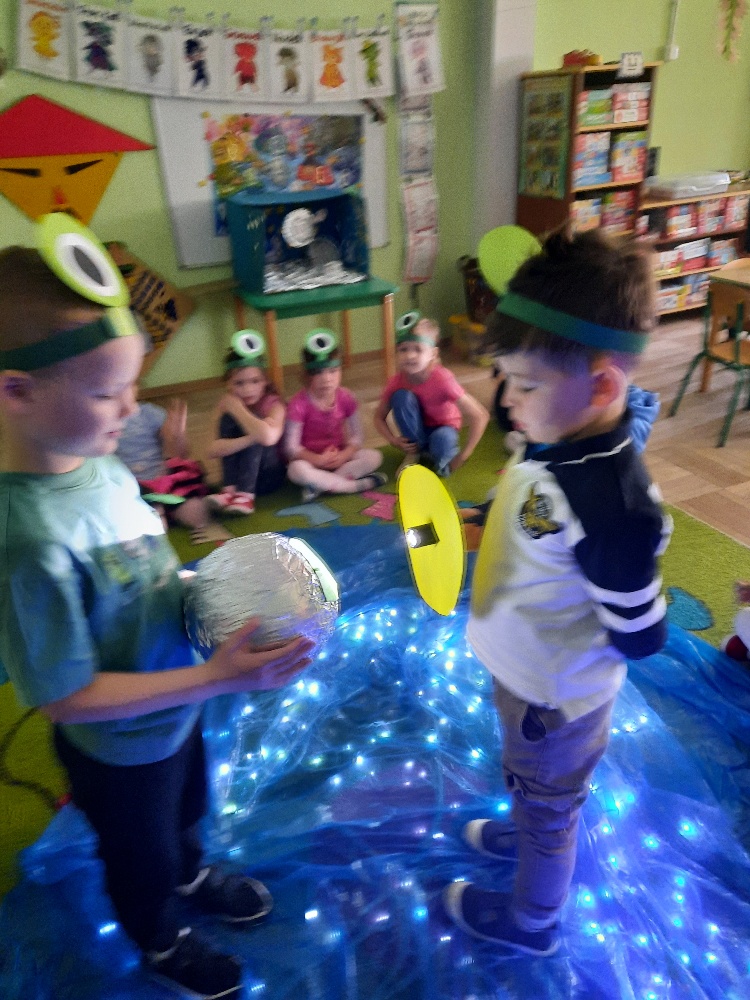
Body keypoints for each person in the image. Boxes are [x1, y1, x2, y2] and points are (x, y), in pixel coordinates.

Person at [0, 219, 314, 1000]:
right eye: (108, 393)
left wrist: (212, 589)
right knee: (138, 854)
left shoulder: (101, 466)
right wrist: (216, 678)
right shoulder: (29, 541)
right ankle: (159, 937)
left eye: (132, 384)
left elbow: (147, 571)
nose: (129, 408)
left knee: (186, 809)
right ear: (16, 391)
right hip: (117, 748)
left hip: (174, 711)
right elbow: (67, 696)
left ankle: (191, 871)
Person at [443, 230, 672, 956]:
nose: (507, 400)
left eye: (526, 384)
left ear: (601, 387)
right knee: (529, 778)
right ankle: (528, 821)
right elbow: (531, 501)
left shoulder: (618, 506)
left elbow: (642, 633)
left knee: (550, 805)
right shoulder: (554, 433)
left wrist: (623, 582)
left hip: (557, 699)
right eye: (505, 379)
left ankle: (533, 922)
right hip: (527, 676)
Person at [373, 312, 489, 477]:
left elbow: (480, 415)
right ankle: (415, 452)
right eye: (403, 349)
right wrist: (393, 440)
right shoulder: (396, 381)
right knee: (400, 397)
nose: (410, 355)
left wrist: (464, 455)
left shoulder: (443, 379)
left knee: (442, 438)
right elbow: (378, 417)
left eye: (418, 349)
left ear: (433, 354)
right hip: (416, 434)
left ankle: (441, 459)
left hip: (443, 430)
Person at [285, 329, 387, 503]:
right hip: (310, 461)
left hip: (340, 458)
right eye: (319, 372)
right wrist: (317, 460)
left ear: (340, 371)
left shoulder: (346, 397)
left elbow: (358, 437)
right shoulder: (298, 404)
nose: (326, 379)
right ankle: (352, 486)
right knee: (295, 470)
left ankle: (319, 486)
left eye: (333, 371)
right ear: (307, 375)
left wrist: (344, 455)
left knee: (374, 457)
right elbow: (291, 448)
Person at [116, 395, 231, 544]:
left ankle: (202, 505)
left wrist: (178, 434)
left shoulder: (148, 413)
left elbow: (181, 454)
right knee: (151, 528)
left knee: (196, 513)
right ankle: (158, 513)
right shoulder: (100, 421)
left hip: (165, 484)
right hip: (131, 490)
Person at [206, 331, 287, 516]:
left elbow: (268, 438)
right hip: (235, 478)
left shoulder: (274, 404)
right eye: (239, 383)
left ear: (265, 381)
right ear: (228, 384)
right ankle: (229, 491)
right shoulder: (226, 406)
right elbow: (211, 450)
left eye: (255, 381)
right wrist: (250, 438)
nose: (248, 389)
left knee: (258, 426)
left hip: (269, 477)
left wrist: (237, 409)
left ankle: (245, 496)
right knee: (233, 422)